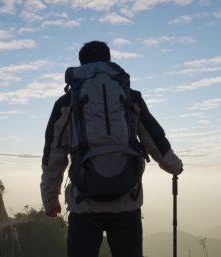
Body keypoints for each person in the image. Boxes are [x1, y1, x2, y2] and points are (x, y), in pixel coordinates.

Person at [41, 40, 183, 257]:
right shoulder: (129, 96)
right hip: (127, 200)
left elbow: (54, 154)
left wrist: (50, 199)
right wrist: (173, 165)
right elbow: (153, 137)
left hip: (83, 204)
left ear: (80, 64)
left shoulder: (66, 103)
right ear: (109, 61)